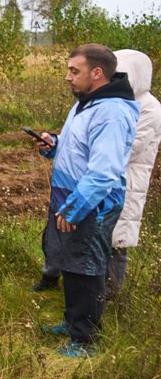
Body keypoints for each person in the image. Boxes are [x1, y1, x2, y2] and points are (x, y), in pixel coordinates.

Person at [33, 49, 161, 297]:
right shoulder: (94, 100)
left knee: (113, 243)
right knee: (82, 245)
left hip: (118, 184)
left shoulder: (146, 109)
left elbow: (122, 151)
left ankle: (107, 298)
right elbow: (80, 142)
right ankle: (79, 302)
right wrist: (57, 145)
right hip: (89, 182)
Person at [38, 44, 138, 357]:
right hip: (70, 197)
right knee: (70, 264)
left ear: (97, 73)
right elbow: (80, 149)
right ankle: (72, 322)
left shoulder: (112, 113)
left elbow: (104, 172)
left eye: (74, 71)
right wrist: (55, 145)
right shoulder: (86, 103)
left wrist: (76, 208)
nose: (67, 77)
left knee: (86, 268)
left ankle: (85, 341)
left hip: (91, 204)